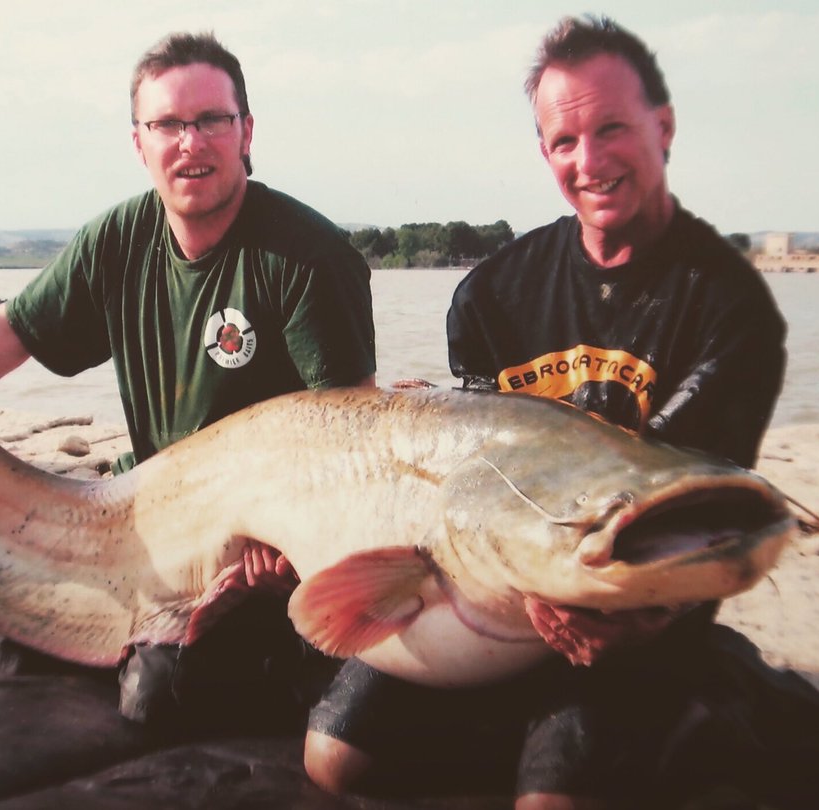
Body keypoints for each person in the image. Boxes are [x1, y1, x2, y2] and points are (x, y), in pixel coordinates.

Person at [303, 15, 791, 809]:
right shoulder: (491, 294)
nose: (589, 162)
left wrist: (632, 624)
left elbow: (706, 518)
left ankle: (707, 689)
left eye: (612, 130)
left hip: (638, 612)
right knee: (333, 761)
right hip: (502, 597)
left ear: (662, 128)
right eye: (565, 142)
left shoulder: (730, 307)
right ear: (545, 153)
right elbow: (470, 481)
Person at [0, 31, 376, 733]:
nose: (192, 142)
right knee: (12, 643)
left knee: (160, 695)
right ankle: (136, 646)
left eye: (212, 119)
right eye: (167, 124)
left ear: (246, 131)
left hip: (260, 561)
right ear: (139, 143)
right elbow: (9, 334)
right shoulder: (118, 240)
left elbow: (359, 446)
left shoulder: (308, 258)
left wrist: (289, 553)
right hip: (143, 526)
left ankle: (234, 667)